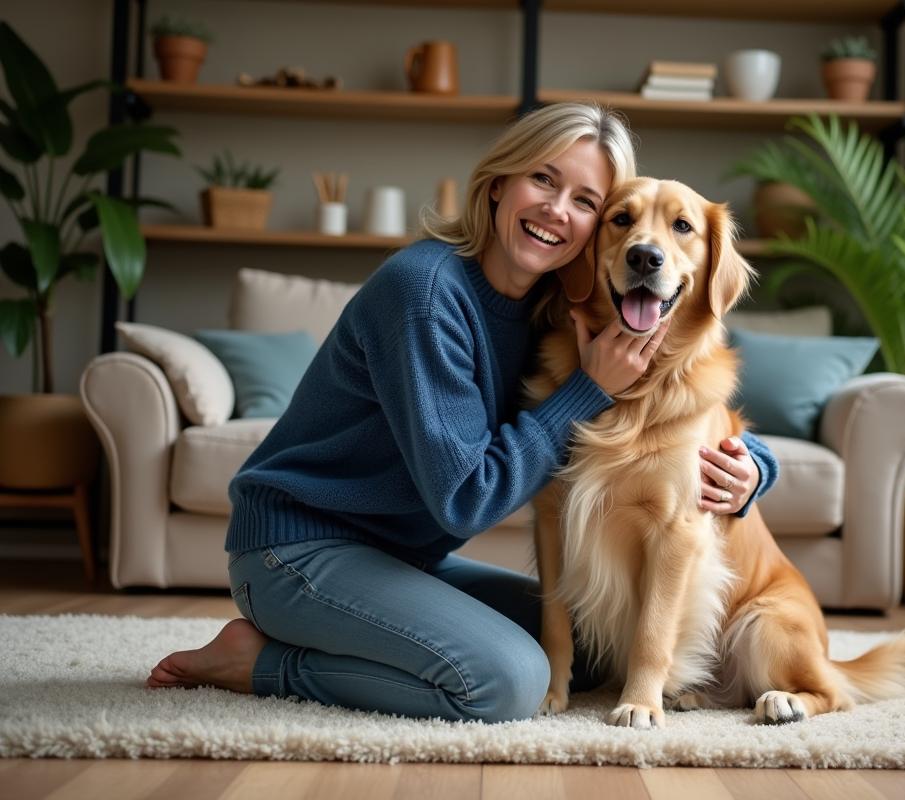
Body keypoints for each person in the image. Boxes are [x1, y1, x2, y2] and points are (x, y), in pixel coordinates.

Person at [147, 101, 779, 723]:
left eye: (586, 201)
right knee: (507, 682)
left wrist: (754, 468)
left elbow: (665, 418)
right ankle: (258, 663)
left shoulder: (556, 308)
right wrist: (586, 389)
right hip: (298, 551)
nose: (558, 211)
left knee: (586, 650)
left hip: (401, 558)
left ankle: (360, 637)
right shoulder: (423, 292)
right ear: (499, 183)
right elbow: (464, 499)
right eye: (543, 179)